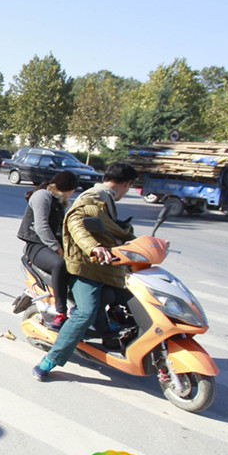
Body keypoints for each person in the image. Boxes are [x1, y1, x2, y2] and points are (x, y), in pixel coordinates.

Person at [32, 162, 138, 381]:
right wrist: (94, 247)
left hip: (105, 266)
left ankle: (110, 337)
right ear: (127, 184)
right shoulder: (93, 196)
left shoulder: (106, 197)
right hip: (85, 268)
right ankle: (51, 359)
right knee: (85, 311)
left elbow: (111, 228)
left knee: (133, 298)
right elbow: (76, 223)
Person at [16, 170, 79, 330]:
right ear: (69, 188)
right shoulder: (42, 196)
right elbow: (41, 227)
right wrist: (58, 250)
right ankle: (61, 313)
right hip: (36, 246)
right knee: (59, 264)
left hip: (51, 245)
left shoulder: (59, 202)